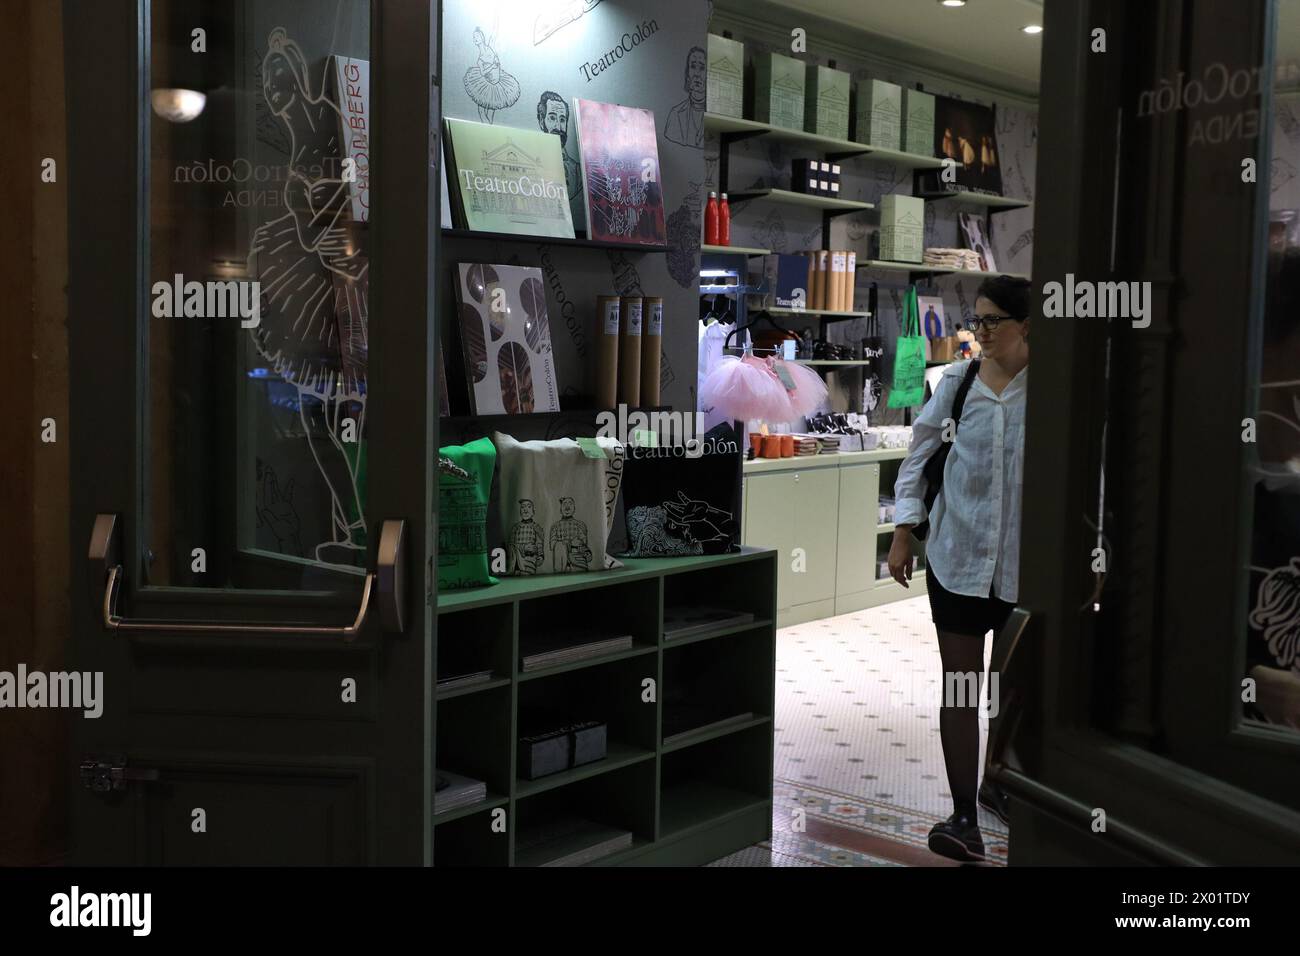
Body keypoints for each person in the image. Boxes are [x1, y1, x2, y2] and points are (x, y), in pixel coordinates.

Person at [888, 275, 1031, 862]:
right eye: (977, 320)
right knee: (962, 687)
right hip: (958, 557)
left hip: (1026, 564)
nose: (982, 331)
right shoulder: (959, 380)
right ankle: (963, 814)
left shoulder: (1053, 388)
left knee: (1011, 690)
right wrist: (902, 531)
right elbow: (921, 453)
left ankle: (997, 783)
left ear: (1028, 324)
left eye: (994, 320)